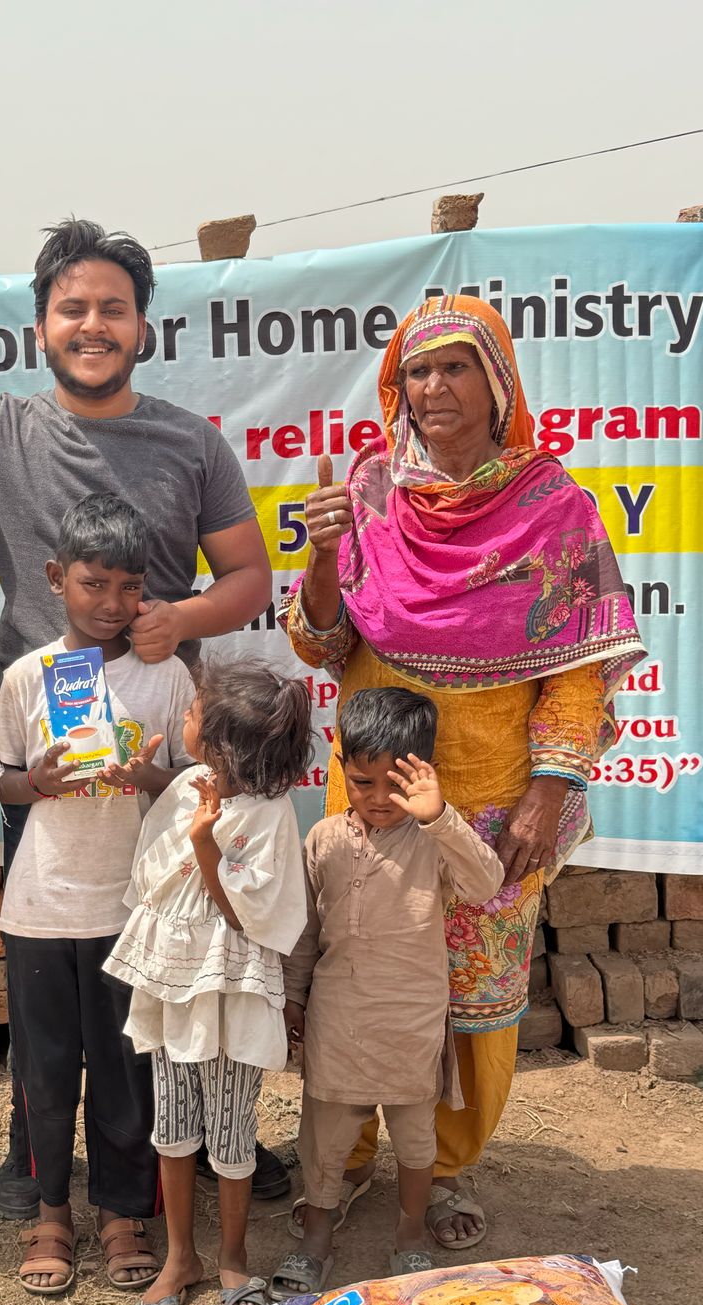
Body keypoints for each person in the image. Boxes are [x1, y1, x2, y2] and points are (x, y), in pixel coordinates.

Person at [0, 217, 288, 1218]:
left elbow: (250, 577)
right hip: (48, 758)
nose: (93, 324)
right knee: (44, 966)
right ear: (40, 326)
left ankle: (190, 1134)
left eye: (113, 308)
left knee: (174, 948)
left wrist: (182, 619)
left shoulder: (191, 442)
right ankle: (32, 1153)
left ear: (143, 327)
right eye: (72, 308)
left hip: (161, 755)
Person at [284, 294, 644, 1252]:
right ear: (396, 388)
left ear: (498, 382)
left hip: (490, 806)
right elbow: (322, 643)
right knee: (356, 975)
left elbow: (578, 672)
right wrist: (323, 556)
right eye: (418, 369)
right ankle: (343, 1159)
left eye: (456, 366)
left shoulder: (554, 508)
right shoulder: (367, 492)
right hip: (368, 798)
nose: (435, 386)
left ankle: (444, 1169)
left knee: (476, 1000)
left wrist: (548, 790)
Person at [0, 493, 195, 1295]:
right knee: (44, 1072)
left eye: (129, 587)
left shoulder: (165, 675)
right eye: (93, 583)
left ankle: (121, 1211)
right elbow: (1, 781)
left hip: (130, 909)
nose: (112, 603)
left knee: (126, 1068)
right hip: (40, 908)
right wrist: (36, 782)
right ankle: (51, 1212)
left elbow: (193, 785)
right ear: (55, 578)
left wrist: (146, 775)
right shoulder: (27, 677)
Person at [272, 688, 505, 1294]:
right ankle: (317, 1238)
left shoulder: (434, 837)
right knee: (324, 1133)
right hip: (338, 1017)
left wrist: (439, 816)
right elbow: (306, 930)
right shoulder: (324, 838)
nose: (379, 798)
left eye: (394, 785)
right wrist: (293, 997)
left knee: (414, 1134)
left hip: (411, 1019)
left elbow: (486, 884)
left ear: (424, 775)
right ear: (341, 767)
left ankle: (409, 1234)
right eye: (362, 782)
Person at [104, 662, 311, 1305]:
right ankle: (180, 1257)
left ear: (223, 744)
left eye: (193, 713)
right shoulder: (189, 785)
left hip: (230, 990)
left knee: (230, 1131)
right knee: (171, 1124)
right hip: (173, 983)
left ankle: (232, 1260)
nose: (183, 719)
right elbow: (152, 871)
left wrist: (205, 847)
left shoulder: (269, 815)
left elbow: (251, 914)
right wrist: (147, 780)